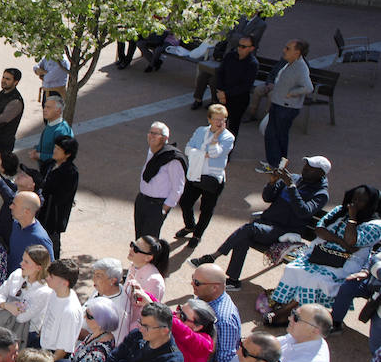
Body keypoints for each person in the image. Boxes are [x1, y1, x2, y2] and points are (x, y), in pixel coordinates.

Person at [193, 156, 331, 289]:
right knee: (244, 237)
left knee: (248, 230)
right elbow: (267, 197)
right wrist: (272, 182)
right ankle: (233, 281)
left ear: (320, 173)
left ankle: (213, 256)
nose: (305, 169)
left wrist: (291, 187)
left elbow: (304, 212)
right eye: (306, 165)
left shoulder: (320, 194)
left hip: (285, 232)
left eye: (310, 168)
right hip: (267, 223)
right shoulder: (294, 178)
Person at [265, 185, 381, 321]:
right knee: (293, 269)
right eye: (354, 198)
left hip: (346, 263)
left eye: (362, 200)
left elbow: (352, 240)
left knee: (314, 279)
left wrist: (352, 218)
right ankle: (288, 308)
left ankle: (293, 314)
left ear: (371, 203)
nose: (355, 202)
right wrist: (342, 243)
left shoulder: (375, 225)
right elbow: (319, 229)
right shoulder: (340, 210)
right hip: (321, 255)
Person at [175, 104, 234, 250]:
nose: (220, 122)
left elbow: (215, 153)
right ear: (209, 119)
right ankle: (190, 226)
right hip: (195, 174)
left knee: (206, 209)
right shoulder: (200, 131)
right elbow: (188, 149)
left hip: (213, 178)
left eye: (223, 119)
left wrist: (214, 139)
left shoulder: (228, 137)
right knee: (185, 202)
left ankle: (197, 235)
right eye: (216, 119)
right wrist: (203, 155)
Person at [261, 39, 312, 169]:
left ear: (297, 52)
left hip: (286, 107)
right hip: (280, 104)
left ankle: (275, 164)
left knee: (274, 135)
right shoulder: (289, 63)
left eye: (288, 48)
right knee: (278, 135)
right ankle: (279, 164)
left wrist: (291, 93)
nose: (284, 50)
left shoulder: (300, 68)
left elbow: (308, 87)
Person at [135, 122, 186, 240]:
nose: (151, 136)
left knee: (149, 240)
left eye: (156, 134)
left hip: (157, 205)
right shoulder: (152, 151)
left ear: (165, 138)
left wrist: (164, 209)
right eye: (150, 132)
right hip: (142, 200)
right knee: (139, 236)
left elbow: (178, 188)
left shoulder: (172, 159)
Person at [70, 298, 122, 362]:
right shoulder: (96, 334)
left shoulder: (99, 353)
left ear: (100, 322)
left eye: (89, 316)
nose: (84, 317)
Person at [38, 136, 79, 258]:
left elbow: (62, 196)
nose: (54, 151)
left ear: (67, 154)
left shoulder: (71, 172)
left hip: (53, 217)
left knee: (50, 247)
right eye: (55, 147)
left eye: (58, 149)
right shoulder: (50, 164)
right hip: (40, 211)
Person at [29, 96, 72, 175]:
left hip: (54, 172)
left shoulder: (61, 132)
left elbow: (62, 157)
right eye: (45, 106)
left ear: (58, 111)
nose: (44, 110)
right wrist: (37, 149)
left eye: (48, 107)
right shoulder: (51, 124)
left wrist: (39, 155)